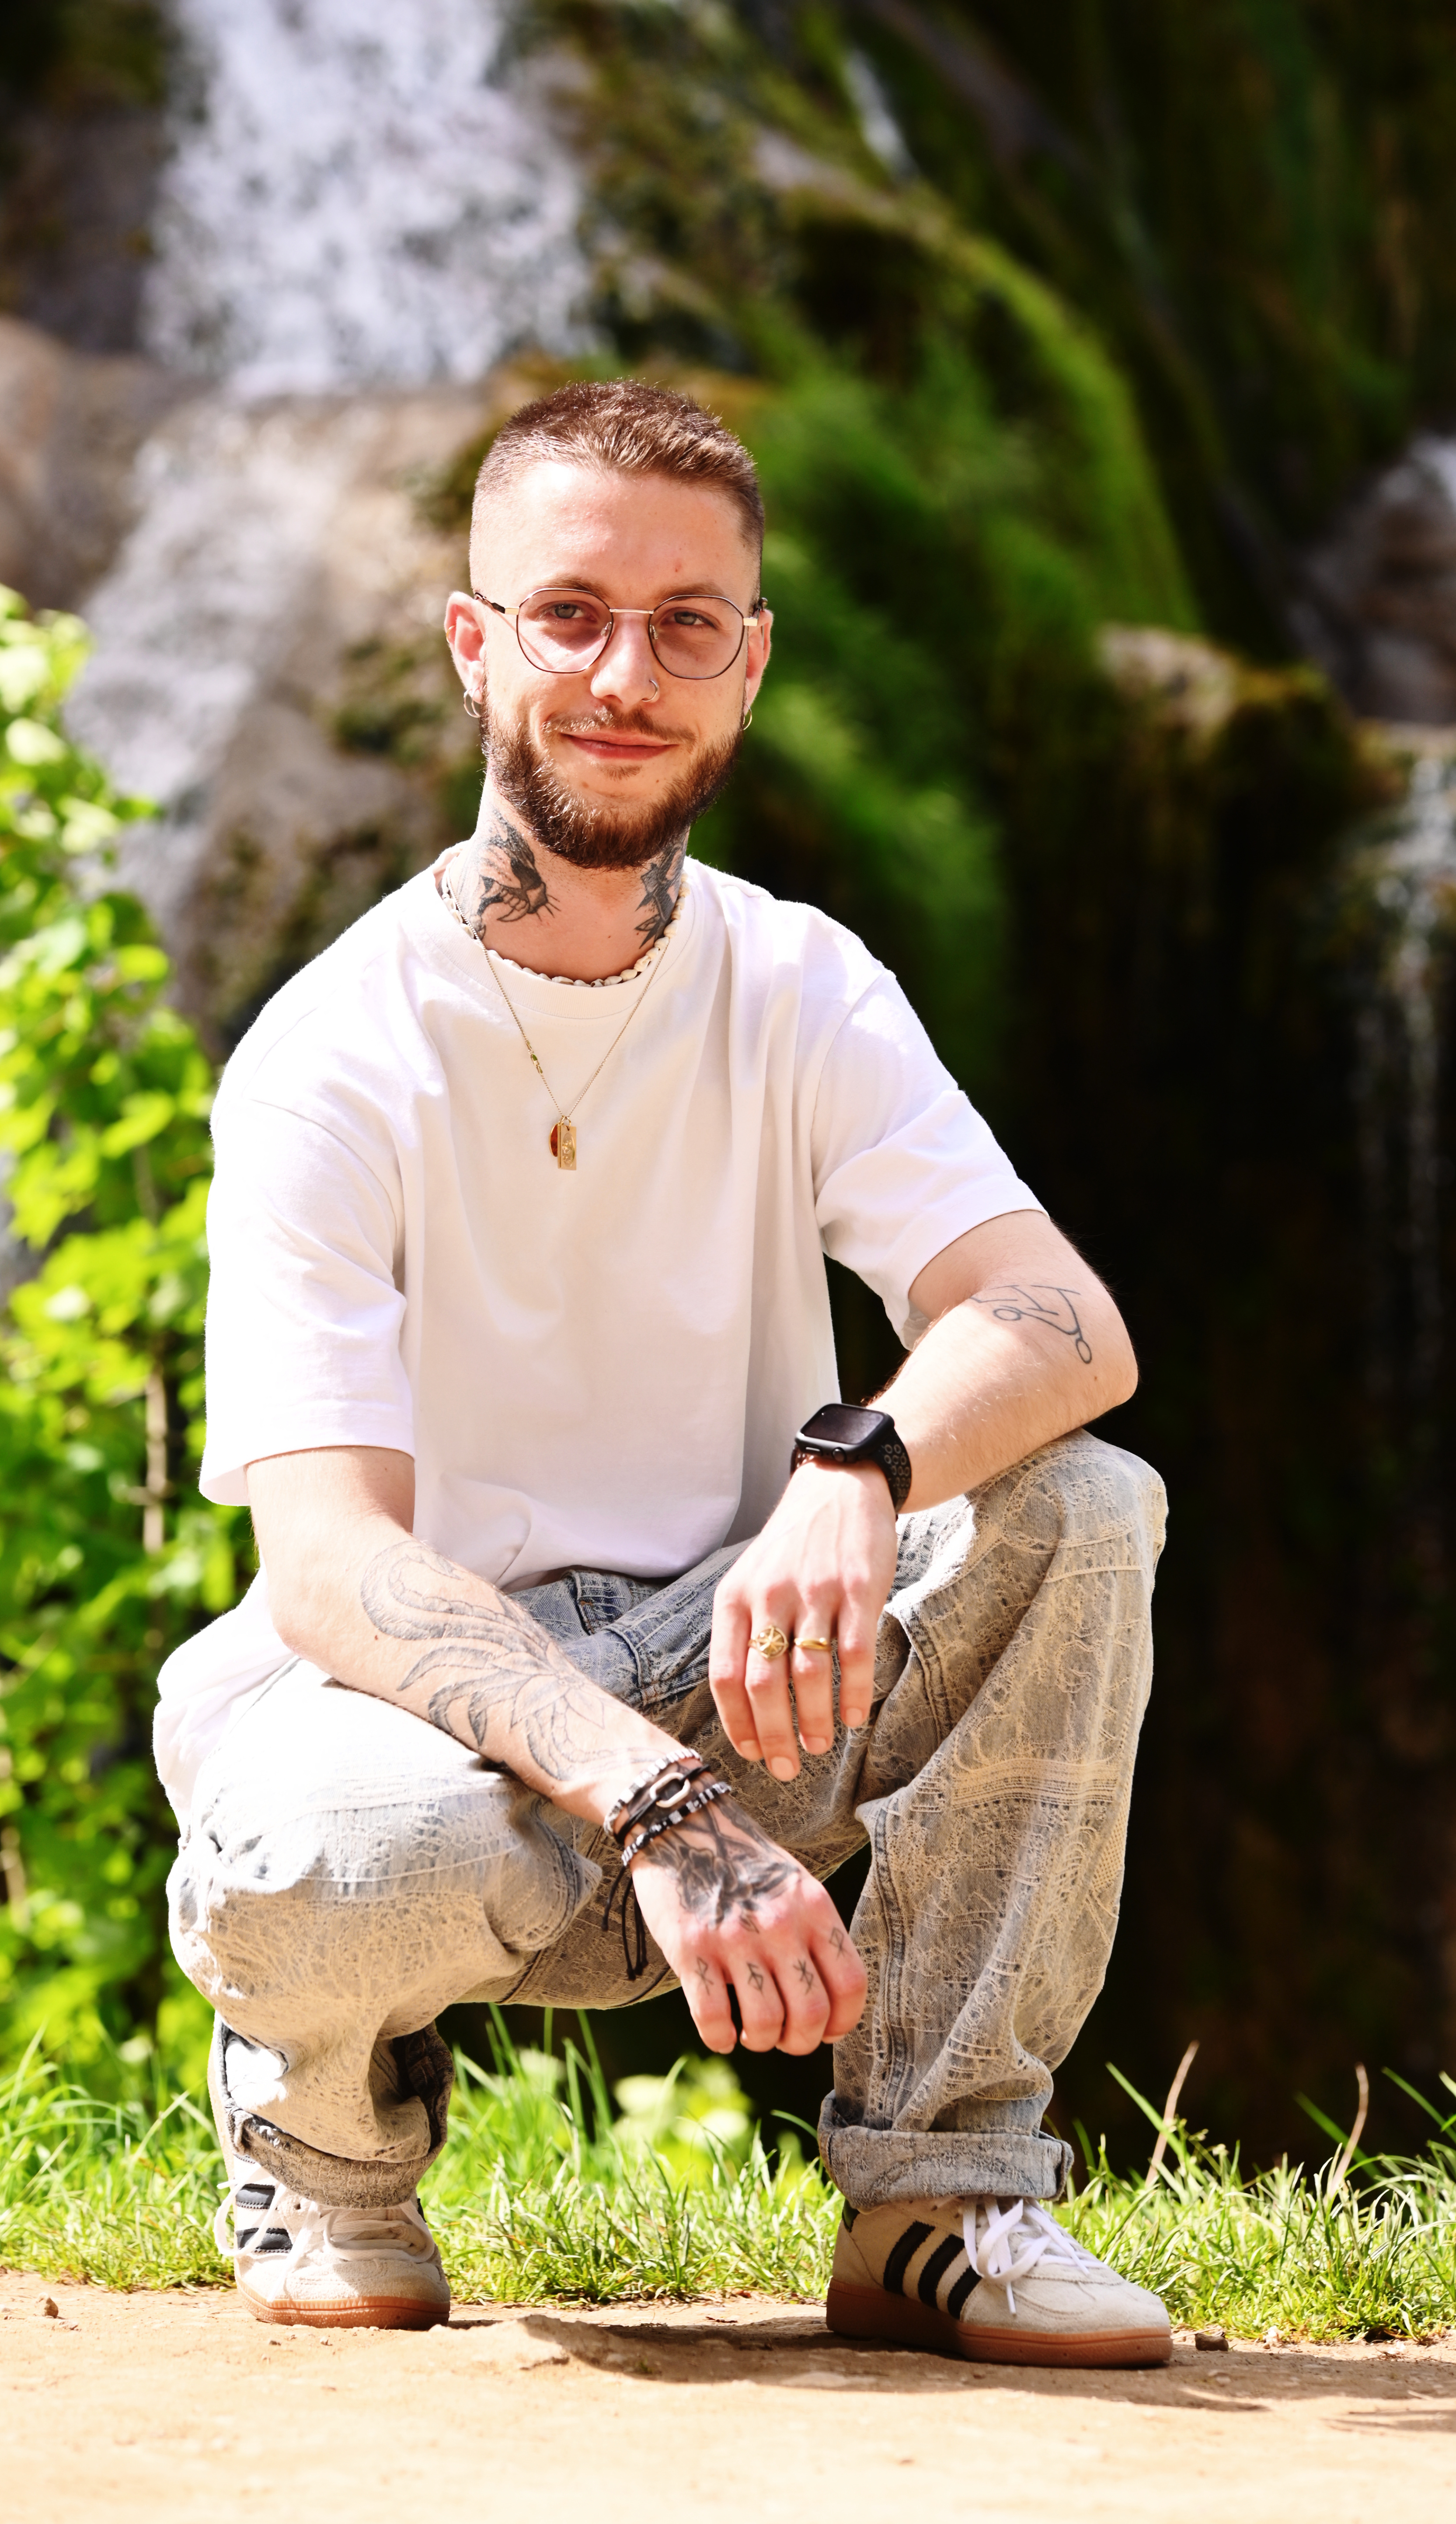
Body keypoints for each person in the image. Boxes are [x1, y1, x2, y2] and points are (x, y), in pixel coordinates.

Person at [155, 380, 1170, 2369]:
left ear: (752, 667)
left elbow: (1067, 1323)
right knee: (376, 1846)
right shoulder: (332, 1049)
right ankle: (322, 2148)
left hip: (748, 1664)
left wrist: (857, 1463)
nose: (627, 675)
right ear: (475, 643)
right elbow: (335, 1567)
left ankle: (941, 2200)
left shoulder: (802, 985)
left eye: (687, 624)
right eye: (570, 615)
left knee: (1080, 1504)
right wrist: (655, 1797)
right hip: (442, 1739)